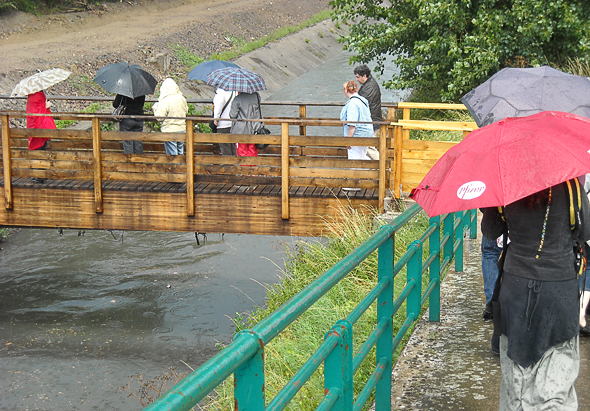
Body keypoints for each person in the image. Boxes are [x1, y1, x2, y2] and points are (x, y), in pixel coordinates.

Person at [482, 181, 590, 410]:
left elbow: (490, 232)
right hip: (560, 287)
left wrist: (491, 206)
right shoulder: (571, 188)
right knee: (557, 367)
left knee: (516, 373)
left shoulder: (506, 185)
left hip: (516, 287)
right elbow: (586, 231)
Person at [26, 90, 56, 183]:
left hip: (34, 125)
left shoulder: (32, 95)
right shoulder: (37, 95)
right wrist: (46, 106)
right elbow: (37, 111)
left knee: (38, 147)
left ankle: (38, 174)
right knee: (39, 148)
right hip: (39, 126)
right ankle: (38, 175)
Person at [153, 78, 188, 155]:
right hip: (182, 128)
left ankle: (175, 167)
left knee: (172, 154)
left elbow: (159, 117)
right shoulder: (181, 98)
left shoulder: (165, 100)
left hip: (170, 129)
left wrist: (155, 108)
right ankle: (182, 167)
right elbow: (186, 111)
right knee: (180, 152)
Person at [354, 64, 381, 160]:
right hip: (372, 120)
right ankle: (376, 168)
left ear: (364, 76)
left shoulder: (369, 87)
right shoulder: (369, 84)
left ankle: (384, 167)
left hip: (371, 121)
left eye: (358, 77)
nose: (356, 79)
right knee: (367, 147)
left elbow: (360, 103)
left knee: (369, 147)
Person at [229, 91, 263, 157]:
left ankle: (244, 167)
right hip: (255, 127)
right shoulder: (256, 95)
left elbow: (232, 115)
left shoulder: (238, 98)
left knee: (242, 152)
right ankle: (253, 166)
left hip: (241, 130)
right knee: (253, 151)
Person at [213, 87, 237, 155]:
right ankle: (234, 164)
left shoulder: (221, 91)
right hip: (232, 122)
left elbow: (219, 105)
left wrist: (216, 118)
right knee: (233, 147)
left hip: (223, 123)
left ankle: (227, 165)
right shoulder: (234, 91)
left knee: (225, 147)